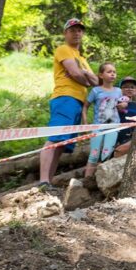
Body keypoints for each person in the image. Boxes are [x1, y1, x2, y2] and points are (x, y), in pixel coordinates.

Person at [37, 18, 99, 191]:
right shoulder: (63, 49)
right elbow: (75, 73)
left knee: (60, 144)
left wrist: (85, 75)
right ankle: (43, 181)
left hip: (78, 102)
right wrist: (85, 78)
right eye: (72, 30)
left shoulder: (82, 58)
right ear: (66, 33)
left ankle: (47, 182)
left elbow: (96, 80)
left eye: (79, 30)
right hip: (64, 97)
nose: (77, 33)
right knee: (53, 139)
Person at [83, 62, 123, 178]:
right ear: (101, 75)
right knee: (94, 154)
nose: (112, 74)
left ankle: (102, 180)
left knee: (107, 153)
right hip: (98, 127)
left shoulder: (118, 91)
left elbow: (122, 106)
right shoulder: (96, 91)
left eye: (114, 72)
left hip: (113, 127)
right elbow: (85, 106)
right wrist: (85, 125)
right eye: (109, 72)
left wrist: (123, 106)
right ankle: (87, 179)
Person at [114, 76, 136, 157]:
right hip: (115, 136)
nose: (129, 89)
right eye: (125, 87)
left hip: (131, 137)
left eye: (132, 87)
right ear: (120, 90)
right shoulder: (115, 102)